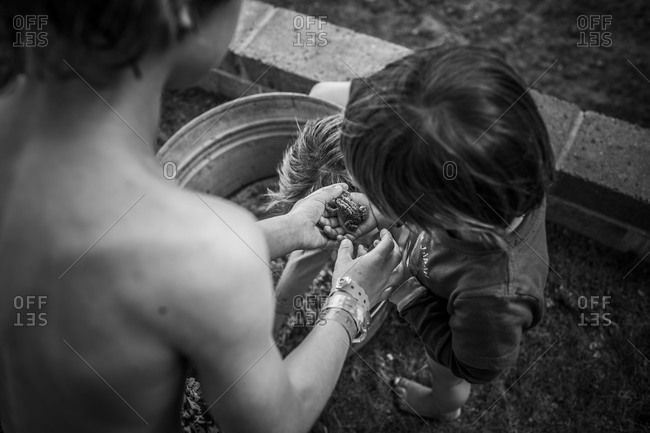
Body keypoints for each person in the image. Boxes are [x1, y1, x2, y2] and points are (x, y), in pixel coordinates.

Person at [0, 1, 401, 432]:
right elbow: (276, 423)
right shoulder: (203, 255)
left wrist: (287, 228)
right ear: (184, 17)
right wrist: (350, 300)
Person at [310, 45, 554, 420]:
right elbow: (329, 95)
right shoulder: (500, 173)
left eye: (385, 196)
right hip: (437, 259)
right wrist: (383, 207)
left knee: (450, 380)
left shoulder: (494, 296)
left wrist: (407, 293)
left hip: (449, 328)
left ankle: (440, 408)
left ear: (438, 215)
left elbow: (476, 366)